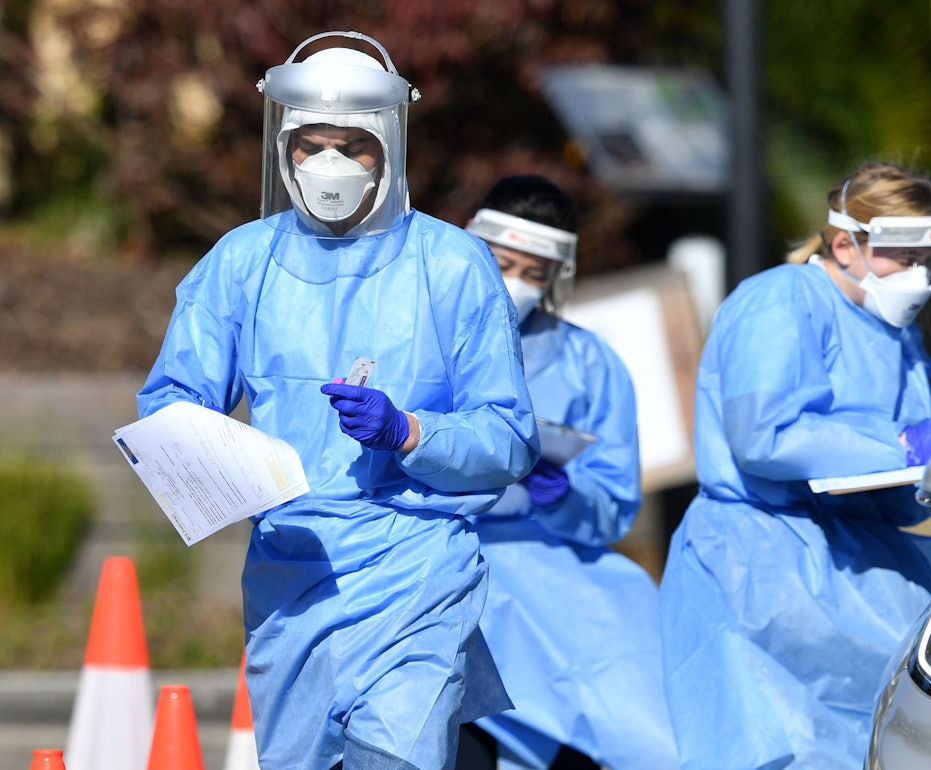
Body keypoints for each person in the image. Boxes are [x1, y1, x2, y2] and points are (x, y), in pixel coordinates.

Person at [137, 32, 540, 770]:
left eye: (352, 146)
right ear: (282, 148)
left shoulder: (452, 264)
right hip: (293, 573)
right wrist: (223, 462)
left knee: (398, 756)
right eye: (310, 145)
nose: (329, 165)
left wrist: (409, 431)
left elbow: (508, 437)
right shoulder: (242, 261)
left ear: (388, 147)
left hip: (416, 567)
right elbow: (174, 404)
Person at [659, 161, 931, 770]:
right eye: (902, 257)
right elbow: (764, 437)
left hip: (858, 561)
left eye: (924, 260)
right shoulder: (779, 300)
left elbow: (896, 496)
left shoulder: (901, 339)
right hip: (759, 563)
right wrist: (901, 448)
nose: (916, 276)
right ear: (843, 244)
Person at [454, 175, 679, 770]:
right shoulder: (418, 341)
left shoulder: (589, 363)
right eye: (502, 264)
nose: (516, 284)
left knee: (627, 681)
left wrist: (563, 494)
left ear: (558, 276)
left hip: (550, 571)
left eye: (535, 273)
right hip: (436, 555)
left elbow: (613, 505)